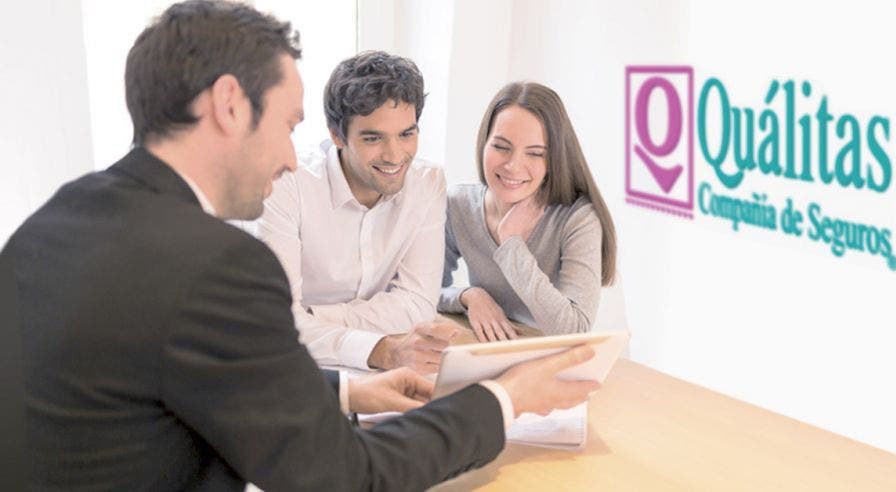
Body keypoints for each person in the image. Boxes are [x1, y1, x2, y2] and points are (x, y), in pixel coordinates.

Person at [0, 2, 599, 490]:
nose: (292, 156)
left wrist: (345, 388)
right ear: (230, 106)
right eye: (288, 125)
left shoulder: (56, 219)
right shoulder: (215, 264)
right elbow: (343, 474)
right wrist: (504, 398)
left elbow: (178, 374)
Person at [259, 51, 450, 373]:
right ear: (336, 135)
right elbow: (278, 322)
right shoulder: (285, 184)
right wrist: (380, 350)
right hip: (284, 362)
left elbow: (418, 305)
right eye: (373, 138)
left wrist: (315, 317)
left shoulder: (427, 183)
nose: (394, 155)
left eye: (407, 133)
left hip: (375, 364)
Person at [438, 82, 618, 342]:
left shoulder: (577, 219)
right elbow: (422, 293)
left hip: (551, 361)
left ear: (553, 160)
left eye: (534, 153)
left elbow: (573, 330)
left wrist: (511, 245)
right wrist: (469, 296)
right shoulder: (458, 204)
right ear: (484, 143)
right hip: (486, 351)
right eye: (501, 147)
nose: (513, 165)